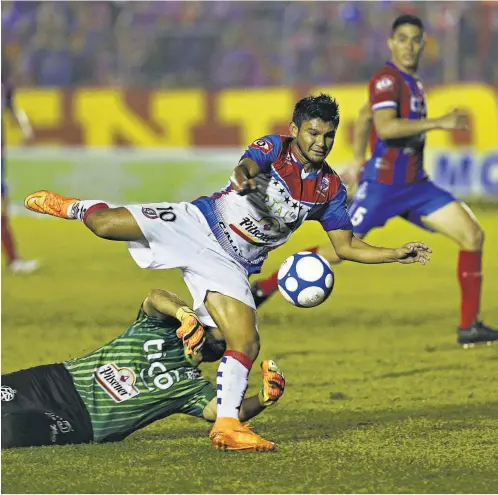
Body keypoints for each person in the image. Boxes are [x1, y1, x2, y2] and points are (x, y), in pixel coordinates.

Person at [24, 93, 431, 451]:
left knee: (245, 340)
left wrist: (397, 252)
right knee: (105, 226)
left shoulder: (330, 190)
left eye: (328, 135)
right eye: (312, 133)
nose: (320, 143)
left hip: (232, 263)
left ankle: (228, 426)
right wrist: (256, 188)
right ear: (295, 129)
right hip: (197, 223)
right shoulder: (273, 147)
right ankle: (72, 206)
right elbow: (241, 174)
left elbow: (346, 245)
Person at [250, 15, 498, 348]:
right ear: (391, 43)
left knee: (473, 235)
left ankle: (469, 326)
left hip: (417, 186)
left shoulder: (411, 82)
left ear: (424, 44)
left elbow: (366, 114)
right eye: (403, 39)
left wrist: (355, 158)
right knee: (339, 251)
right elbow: (387, 126)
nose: (409, 45)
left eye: (415, 39)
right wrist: (440, 122)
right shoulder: (386, 79)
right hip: (382, 188)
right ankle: (266, 286)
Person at [1, 288, 285, 450]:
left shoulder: (191, 388)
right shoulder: (157, 326)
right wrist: (184, 314)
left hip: (82, 423)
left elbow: (221, 411)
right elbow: (155, 297)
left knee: (9, 432)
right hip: (54, 381)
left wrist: (262, 399)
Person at [1, 61, 39, 273]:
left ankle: (13, 259)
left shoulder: (4, 84)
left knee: (3, 207)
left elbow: (12, 107)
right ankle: (13, 260)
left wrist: (25, 128)